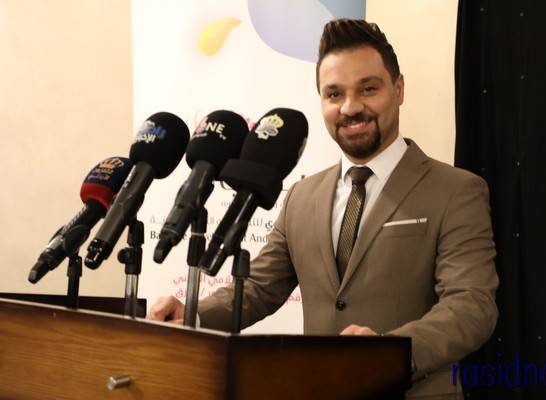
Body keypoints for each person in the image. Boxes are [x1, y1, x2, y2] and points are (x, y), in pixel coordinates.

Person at [149, 18, 498, 399]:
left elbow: (471, 305)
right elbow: (260, 288)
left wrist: (391, 354)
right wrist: (194, 314)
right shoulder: (302, 195)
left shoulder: (456, 191)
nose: (350, 107)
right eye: (334, 94)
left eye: (368, 89)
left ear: (398, 89)